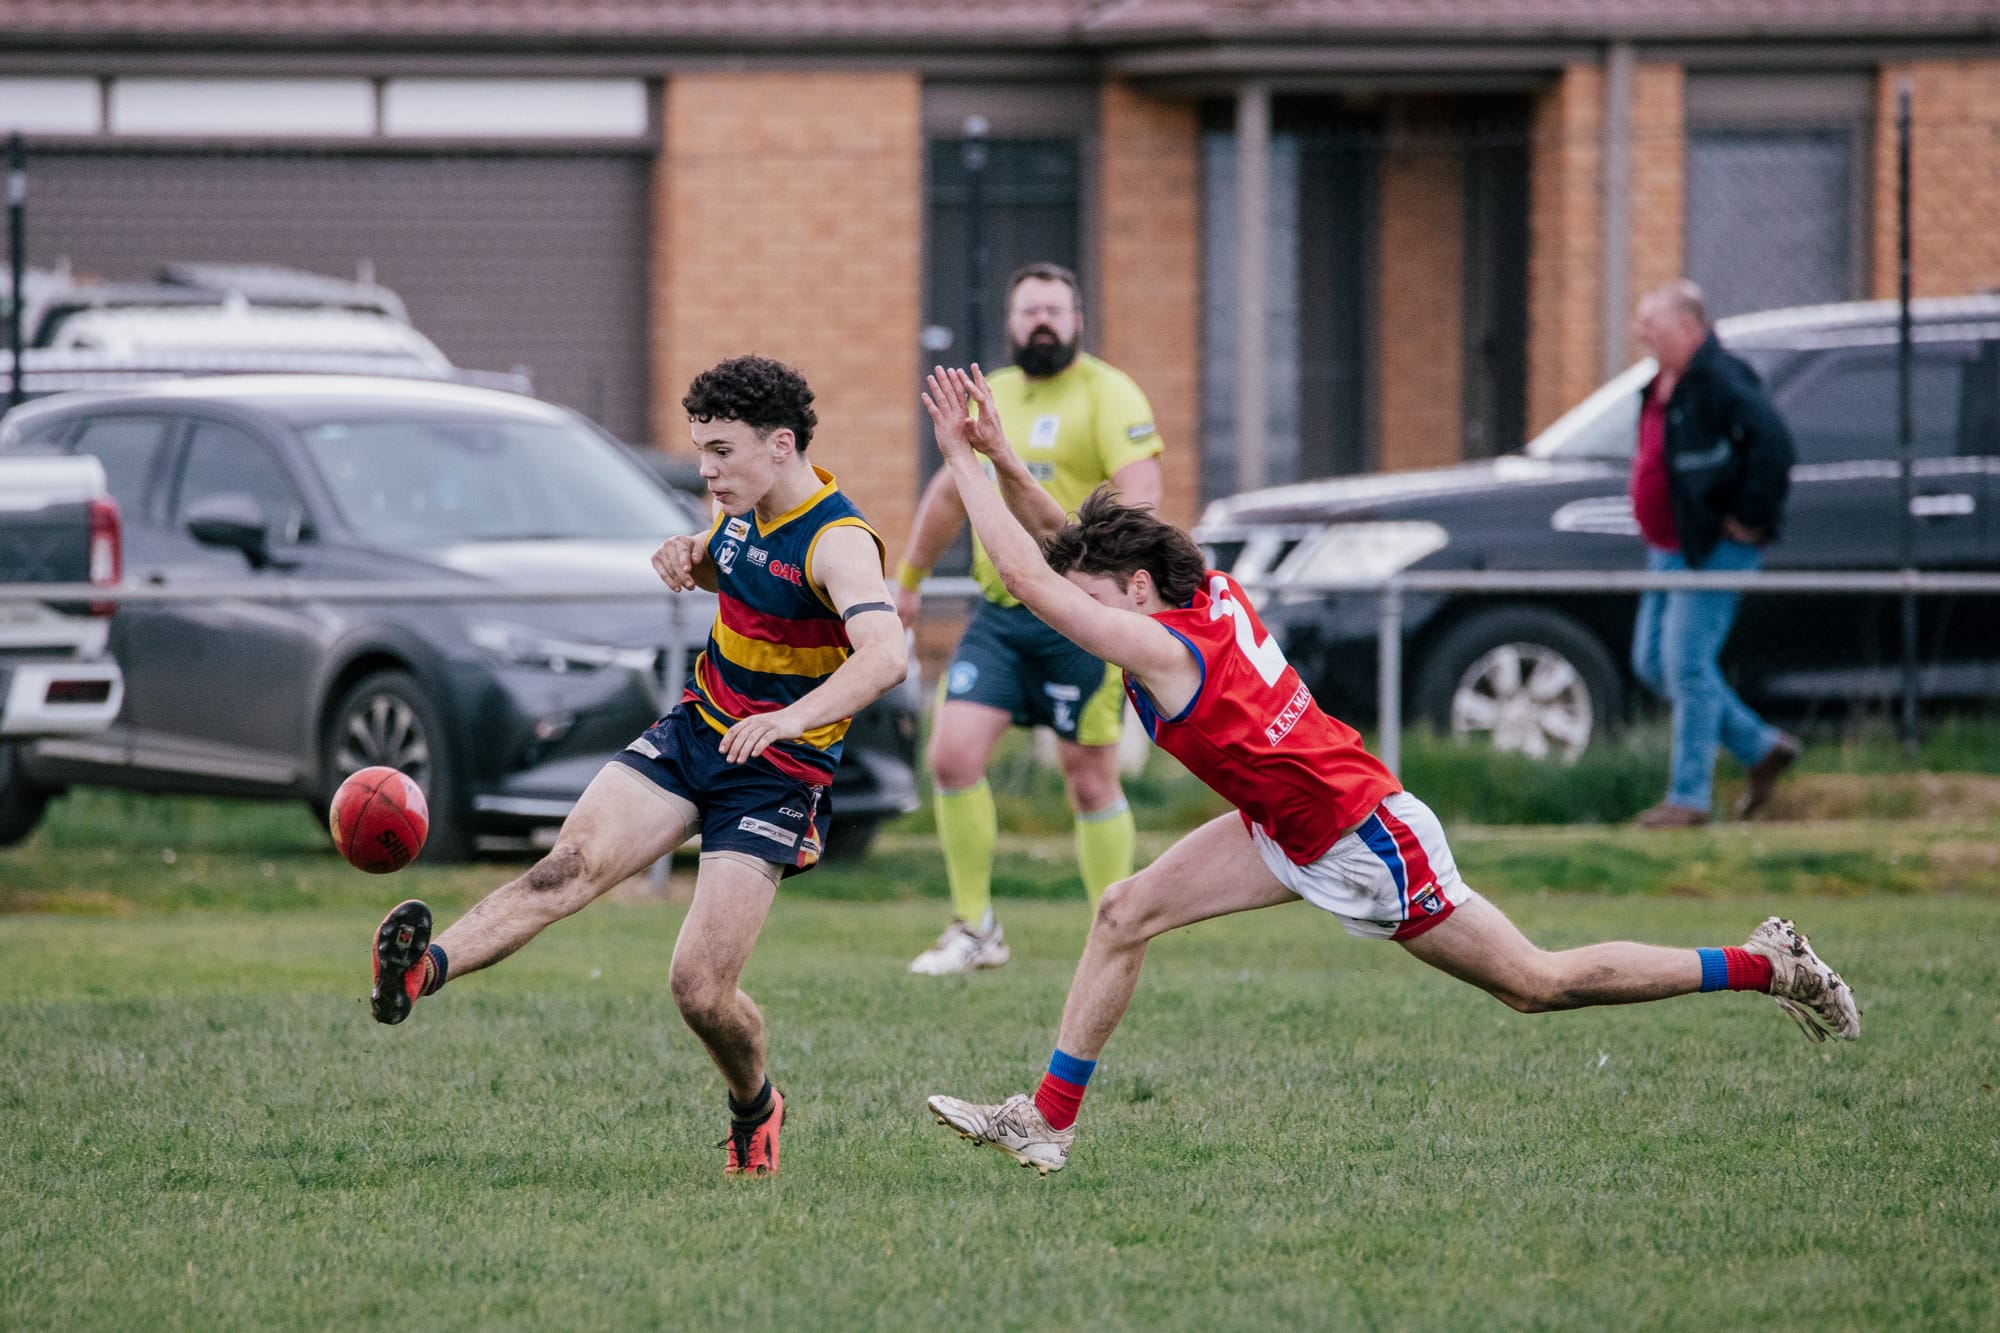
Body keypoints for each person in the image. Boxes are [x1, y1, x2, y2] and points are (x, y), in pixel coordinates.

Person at [914, 364, 1858, 1177]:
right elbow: (1063, 554)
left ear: (1135, 592)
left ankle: (1766, 963)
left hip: (1365, 837)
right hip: (1286, 824)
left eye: (1099, 599)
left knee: (1536, 982)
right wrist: (1001, 457)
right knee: (1124, 911)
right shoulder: (1188, 593)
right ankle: (1045, 1121)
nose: (1087, 610)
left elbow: (1038, 582)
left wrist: (959, 463)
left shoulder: (1165, 648)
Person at [368, 354, 906, 1178]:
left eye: (721, 451)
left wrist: (789, 719)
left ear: (781, 444)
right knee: (567, 867)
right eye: (700, 449)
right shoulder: (739, 508)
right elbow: (726, 554)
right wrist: (686, 554)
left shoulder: (838, 542)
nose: (706, 469)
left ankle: (756, 1106)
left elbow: (888, 654)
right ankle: (419, 972)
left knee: (698, 987)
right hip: (698, 730)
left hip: (777, 771)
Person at [896, 262, 1166, 975]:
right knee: (951, 756)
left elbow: (1141, 505)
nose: (1040, 320)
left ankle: (1115, 928)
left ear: (1078, 319)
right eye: (1027, 311)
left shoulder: (1109, 394)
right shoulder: (993, 396)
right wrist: (910, 581)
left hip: (1081, 620)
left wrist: (1121, 585)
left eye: (1054, 309)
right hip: (1001, 614)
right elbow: (949, 494)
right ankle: (975, 928)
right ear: (1011, 323)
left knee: (1089, 780)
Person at [1628, 280, 1801, 828]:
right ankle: (1759, 746)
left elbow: (1774, 444)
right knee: (1654, 663)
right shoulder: (1663, 382)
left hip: (1712, 549)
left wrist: (1749, 518)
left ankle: (1689, 799)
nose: (1641, 333)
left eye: (1650, 323)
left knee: (1687, 664)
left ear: (1687, 327)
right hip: (1669, 546)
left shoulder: (1721, 379)